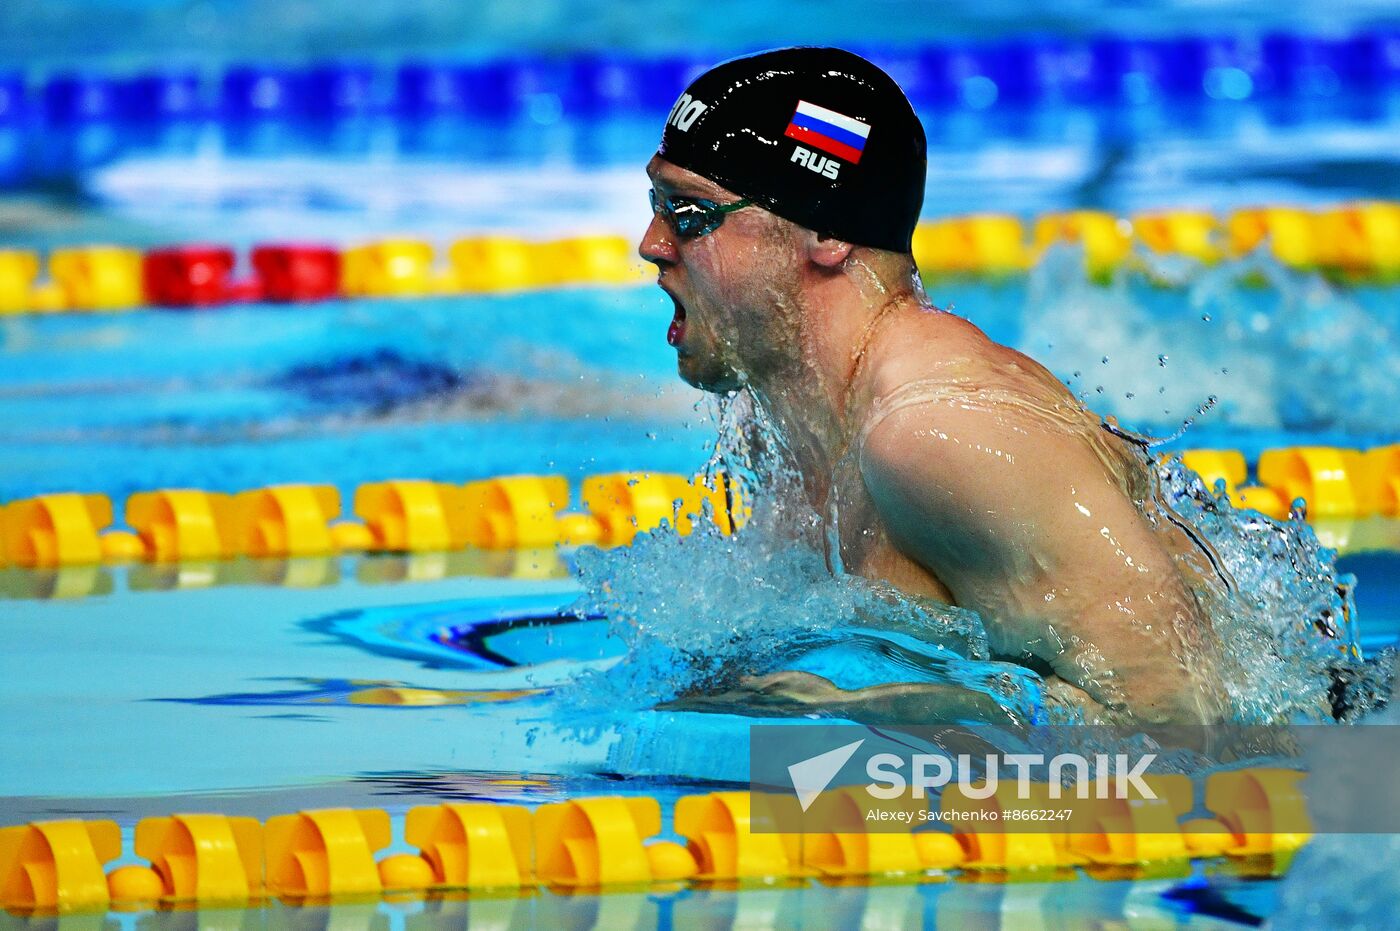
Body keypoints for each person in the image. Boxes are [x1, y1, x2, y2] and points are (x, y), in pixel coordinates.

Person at [638, 47, 1228, 725]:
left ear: (825, 230)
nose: (652, 243)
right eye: (657, 205)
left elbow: (1195, 728)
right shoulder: (784, 419)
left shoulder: (940, 432)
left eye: (689, 213)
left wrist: (921, 707)